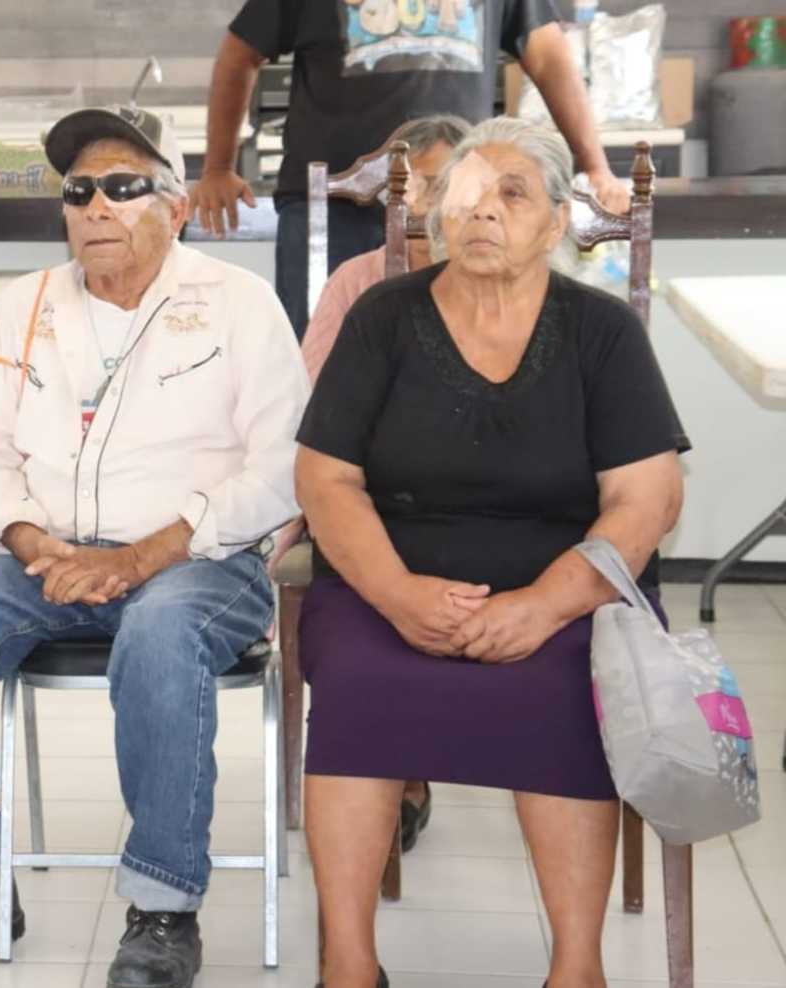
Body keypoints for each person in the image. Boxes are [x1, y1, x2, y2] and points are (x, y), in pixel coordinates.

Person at [0, 105, 309, 987]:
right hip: (51, 558)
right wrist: (35, 542)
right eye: (79, 190)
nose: (96, 205)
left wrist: (139, 560)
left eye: (123, 186)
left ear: (175, 207)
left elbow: (285, 470)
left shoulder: (239, 303)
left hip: (199, 560)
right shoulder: (27, 302)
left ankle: (163, 906)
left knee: (156, 635)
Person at [293, 117, 688, 988]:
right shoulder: (382, 319)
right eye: (466, 193)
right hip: (387, 576)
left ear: (557, 224)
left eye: (513, 193)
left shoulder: (601, 333)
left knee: (571, 682)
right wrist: (397, 594)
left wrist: (543, 605)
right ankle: (348, 966)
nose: (484, 210)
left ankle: (576, 968)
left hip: (566, 585)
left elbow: (647, 499)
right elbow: (325, 482)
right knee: (359, 678)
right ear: (437, 217)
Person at [190, 0, 632, 339]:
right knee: (320, 358)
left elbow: (549, 56)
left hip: (458, 211)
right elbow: (239, 55)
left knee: (463, 349)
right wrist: (217, 167)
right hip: (332, 215)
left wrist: (595, 166)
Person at [272, 112, 471, 854]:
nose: (421, 203)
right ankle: (396, 767)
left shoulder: (501, 281)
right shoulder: (355, 281)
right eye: (410, 182)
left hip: (477, 504)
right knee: (376, 558)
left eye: (443, 182)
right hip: (367, 496)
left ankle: (429, 752)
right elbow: (311, 405)